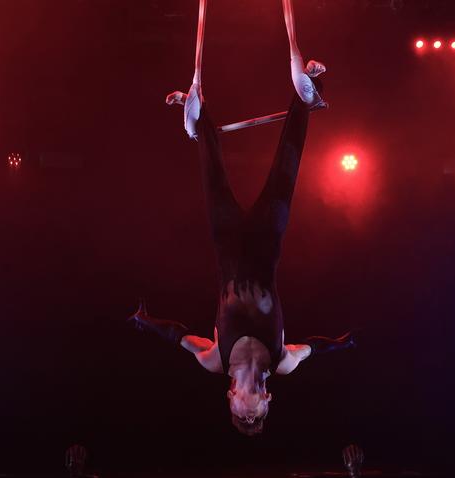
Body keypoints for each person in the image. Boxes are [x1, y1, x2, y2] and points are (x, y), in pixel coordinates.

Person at [131, 0, 355, 436]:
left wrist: (146, 321)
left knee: (210, 170)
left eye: (243, 413)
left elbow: (177, 334)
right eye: (260, 414)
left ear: (232, 397)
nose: (252, 408)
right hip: (268, 241)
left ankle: (197, 115)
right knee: (285, 169)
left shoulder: (214, 358)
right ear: (267, 400)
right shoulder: (283, 361)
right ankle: (304, 93)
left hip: (228, 241)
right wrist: (345, 344)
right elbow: (317, 348)